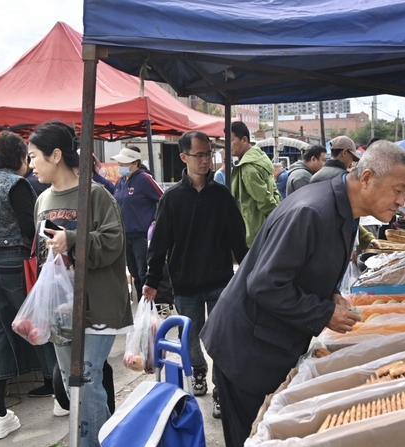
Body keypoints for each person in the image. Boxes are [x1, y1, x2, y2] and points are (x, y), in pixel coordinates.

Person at [201, 141, 405, 447]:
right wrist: (323, 313)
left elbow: (305, 266)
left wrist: (330, 294)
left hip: (273, 342)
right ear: (367, 178)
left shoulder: (344, 212)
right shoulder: (312, 211)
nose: (402, 201)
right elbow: (265, 284)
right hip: (246, 348)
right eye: (398, 190)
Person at [28, 121, 131, 447]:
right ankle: (108, 445)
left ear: (56, 155)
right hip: (60, 310)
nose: (31, 164)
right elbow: (43, 253)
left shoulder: (96, 195)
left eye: (34, 156)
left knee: (86, 379)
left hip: (98, 305)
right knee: (75, 385)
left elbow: (113, 243)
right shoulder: (42, 201)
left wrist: (71, 239)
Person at [142, 131, 248, 417]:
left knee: (222, 338)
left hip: (220, 281)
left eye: (208, 154)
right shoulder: (172, 198)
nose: (205, 160)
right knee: (190, 338)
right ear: (183, 157)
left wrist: (249, 272)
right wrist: (152, 280)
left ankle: (220, 390)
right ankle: (198, 371)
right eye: (199, 155)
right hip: (185, 282)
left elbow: (238, 240)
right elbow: (160, 244)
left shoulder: (221, 196)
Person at [0, 131, 57, 440]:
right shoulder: (17, 184)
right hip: (16, 263)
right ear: (19, 157)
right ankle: (61, 396)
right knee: (38, 324)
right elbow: (32, 227)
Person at [112, 146, 163, 300]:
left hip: (141, 235)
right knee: (134, 272)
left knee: (143, 273)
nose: (120, 166)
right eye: (119, 163)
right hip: (125, 234)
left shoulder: (144, 179)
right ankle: (143, 305)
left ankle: (149, 304)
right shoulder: (120, 181)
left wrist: (157, 219)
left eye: (124, 163)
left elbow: (163, 198)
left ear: (135, 164)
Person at [310, 135, 376, 251]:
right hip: (341, 241)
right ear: (344, 153)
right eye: (352, 157)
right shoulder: (346, 179)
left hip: (319, 239)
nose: (352, 162)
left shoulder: (315, 177)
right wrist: (355, 245)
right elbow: (350, 215)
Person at [230, 121, 281, 246]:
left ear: (244, 140)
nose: (228, 145)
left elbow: (264, 201)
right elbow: (274, 191)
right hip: (267, 228)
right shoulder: (261, 158)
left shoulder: (248, 168)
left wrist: (278, 219)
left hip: (255, 232)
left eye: (231, 140)